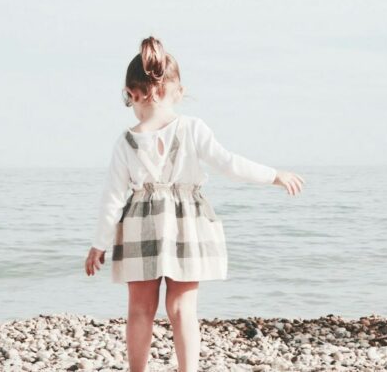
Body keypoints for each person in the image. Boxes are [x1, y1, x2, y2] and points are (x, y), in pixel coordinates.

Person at [84, 36, 305, 372]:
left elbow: (112, 198)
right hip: (187, 223)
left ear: (131, 93)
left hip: (139, 224)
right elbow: (229, 164)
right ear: (179, 91)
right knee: (182, 308)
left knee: (140, 309)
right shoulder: (192, 128)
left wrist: (98, 245)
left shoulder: (126, 142)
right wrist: (273, 175)